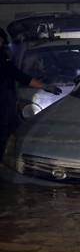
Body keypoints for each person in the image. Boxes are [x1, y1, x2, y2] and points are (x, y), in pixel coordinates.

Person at [0, 28, 62, 161]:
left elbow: (18, 75)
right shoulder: (3, 60)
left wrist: (44, 86)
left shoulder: (4, 58)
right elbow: (20, 76)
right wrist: (44, 86)